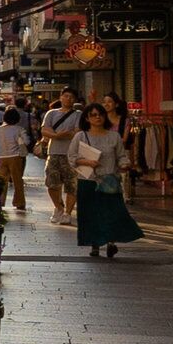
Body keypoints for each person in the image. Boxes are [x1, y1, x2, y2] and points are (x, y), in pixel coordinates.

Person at [73, 98, 142, 259]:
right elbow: (72, 157)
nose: (98, 117)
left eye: (100, 114)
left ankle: (111, 242)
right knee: (90, 214)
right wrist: (87, 162)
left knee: (112, 213)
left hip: (109, 180)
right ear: (87, 118)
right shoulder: (80, 136)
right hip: (88, 181)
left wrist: (125, 164)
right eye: (93, 115)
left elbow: (121, 156)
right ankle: (95, 244)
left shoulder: (114, 136)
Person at [39, 95, 81, 219]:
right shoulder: (51, 113)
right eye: (66, 96)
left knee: (71, 185)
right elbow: (44, 130)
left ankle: (67, 213)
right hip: (53, 153)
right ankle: (58, 208)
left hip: (71, 154)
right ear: (61, 98)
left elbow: (77, 132)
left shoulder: (78, 114)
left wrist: (57, 134)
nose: (69, 99)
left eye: (71, 97)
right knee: (51, 184)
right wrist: (57, 136)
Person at [0, 106, 30, 214]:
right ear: (17, 119)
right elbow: (26, 142)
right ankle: (19, 202)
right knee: (17, 180)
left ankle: (0, 202)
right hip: (15, 156)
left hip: (0, 157)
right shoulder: (19, 129)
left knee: (1, 181)